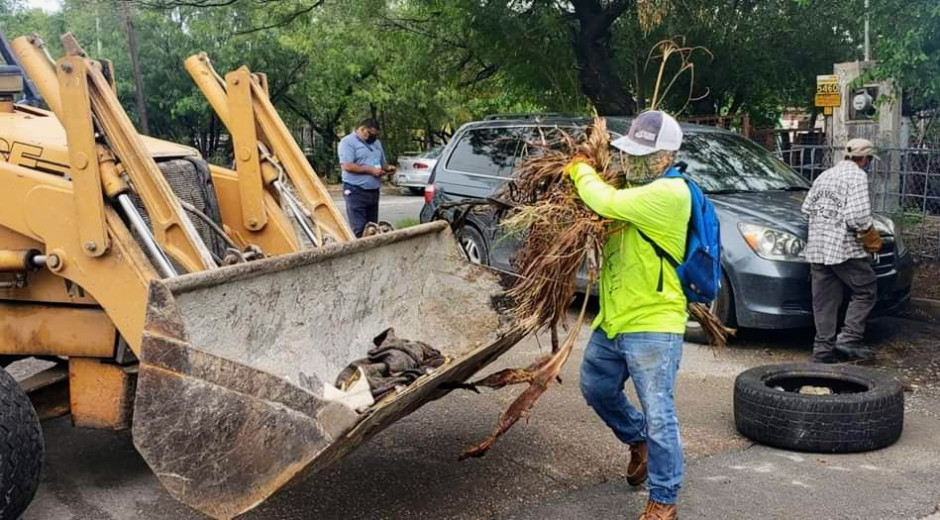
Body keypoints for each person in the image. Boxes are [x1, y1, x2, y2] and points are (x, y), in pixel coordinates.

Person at [566, 111, 691, 520]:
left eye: (644, 156)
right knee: (596, 387)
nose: (633, 161)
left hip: (653, 322)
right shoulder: (635, 186)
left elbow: (605, 201)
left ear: (667, 157)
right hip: (615, 318)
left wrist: (580, 169)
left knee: (660, 413)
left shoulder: (670, 193)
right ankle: (638, 440)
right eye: (630, 153)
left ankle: (664, 500)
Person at [802, 138, 883, 364]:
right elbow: (857, 217)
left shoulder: (825, 175)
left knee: (825, 301)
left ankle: (822, 351)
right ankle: (849, 338)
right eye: (869, 160)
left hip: (817, 247)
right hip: (843, 248)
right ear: (865, 159)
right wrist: (870, 236)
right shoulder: (857, 176)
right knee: (866, 289)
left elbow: (806, 209)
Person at [338, 118, 396, 237]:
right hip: (356, 190)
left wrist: (388, 168)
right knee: (360, 229)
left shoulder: (376, 143)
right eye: (370, 133)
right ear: (362, 129)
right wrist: (371, 170)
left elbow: (382, 164)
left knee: (373, 229)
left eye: (375, 135)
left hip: (373, 192)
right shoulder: (348, 142)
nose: (372, 137)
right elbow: (347, 166)